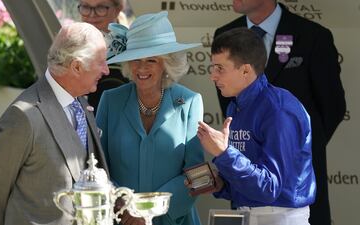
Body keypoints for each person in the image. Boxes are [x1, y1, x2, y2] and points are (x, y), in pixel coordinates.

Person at [214, 1, 346, 224]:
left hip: (294, 186)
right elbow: (234, 107)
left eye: (219, 69)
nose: (214, 75)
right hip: (247, 184)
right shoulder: (224, 36)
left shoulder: (313, 35)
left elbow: (332, 106)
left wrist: (293, 148)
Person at [0, 22, 110, 225]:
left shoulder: (81, 104)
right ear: (76, 66)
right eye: (101, 62)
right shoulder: (23, 116)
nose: (107, 70)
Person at [195, 27, 316, 225]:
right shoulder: (236, 106)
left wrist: (225, 154)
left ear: (245, 70)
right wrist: (220, 185)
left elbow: (270, 188)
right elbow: (250, 181)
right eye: (213, 68)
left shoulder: (279, 109)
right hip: (247, 214)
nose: (213, 76)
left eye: (220, 68)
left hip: (281, 218)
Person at [96, 11, 204, 225]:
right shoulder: (110, 100)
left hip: (174, 220)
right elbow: (98, 165)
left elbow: (198, 175)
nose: (142, 68)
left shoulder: (190, 102)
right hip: (122, 218)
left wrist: (147, 211)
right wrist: (125, 205)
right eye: (136, 59)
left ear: (166, 63)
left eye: (151, 60)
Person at [78, 0, 129, 114]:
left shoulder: (131, 51)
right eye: (86, 7)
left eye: (100, 8)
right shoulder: (71, 47)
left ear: (117, 9)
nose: (92, 14)